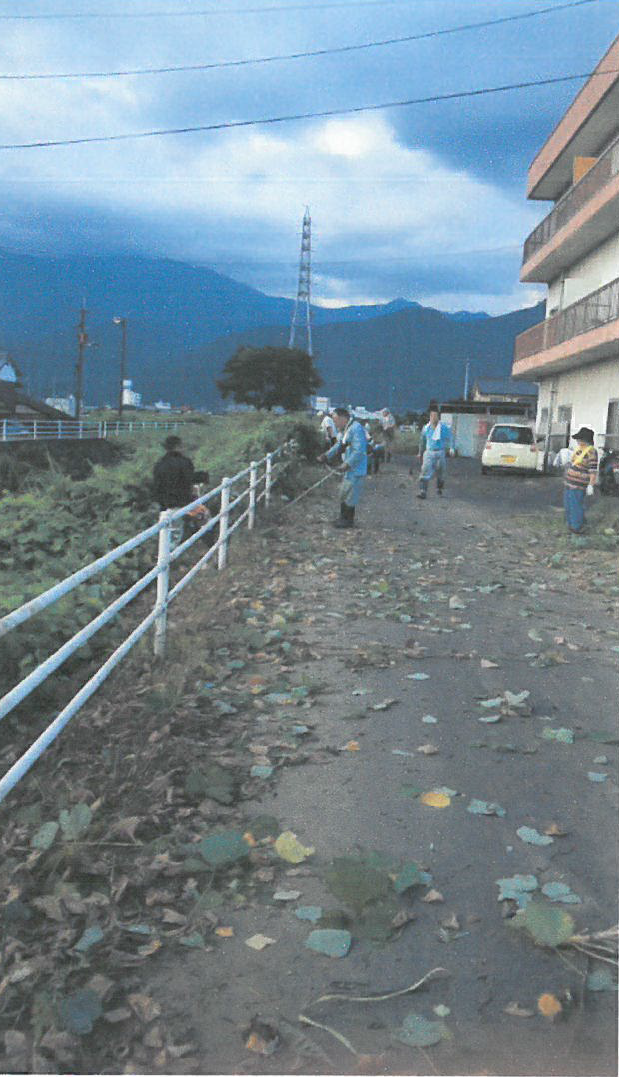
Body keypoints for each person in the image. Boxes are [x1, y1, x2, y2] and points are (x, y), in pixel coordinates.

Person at [318, 406, 368, 528]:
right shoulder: (346, 429)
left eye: (335, 420)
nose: (334, 423)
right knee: (344, 493)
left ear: (343, 418)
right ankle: (342, 518)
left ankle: (347, 521)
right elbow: (339, 445)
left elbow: (359, 451)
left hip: (356, 468)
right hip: (349, 468)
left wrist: (346, 464)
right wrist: (326, 456)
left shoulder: (356, 429)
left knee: (351, 495)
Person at [563, 426, 598, 535]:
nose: (578, 441)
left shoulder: (591, 452)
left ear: (585, 440)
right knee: (568, 505)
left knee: (575, 506)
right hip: (569, 483)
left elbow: (593, 470)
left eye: (580, 439)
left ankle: (577, 528)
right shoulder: (579, 450)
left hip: (578, 485)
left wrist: (591, 485)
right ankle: (571, 525)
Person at [417, 403, 454, 499]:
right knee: (425, 471)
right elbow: (422, 441)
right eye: (432, 415)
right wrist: (420, 452)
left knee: (440, 472)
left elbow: (450, 438)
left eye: (435, 416)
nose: (433, 418)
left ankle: (439, 489)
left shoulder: (444, 428)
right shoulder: (426, 428)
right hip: (429, 452)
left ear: (438, 417)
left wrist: (451, 448)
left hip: (440, 452)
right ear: (429, 416)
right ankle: (423, 491)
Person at [153, 435, 195, 510]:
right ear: (178, 446)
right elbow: (189, 481)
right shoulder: (185, 462)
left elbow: (156, 486)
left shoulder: (159, 464)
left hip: (165, 505)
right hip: (183, 504)